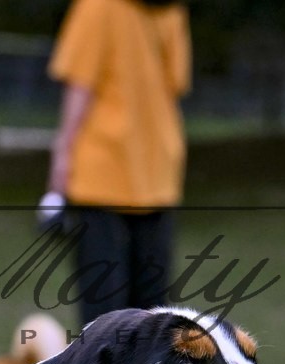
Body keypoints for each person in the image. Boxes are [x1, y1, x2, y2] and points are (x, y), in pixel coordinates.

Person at [47, 0, 191, 327]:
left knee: (102, 316)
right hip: (157, 168)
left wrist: (62, 154)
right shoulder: (170, 8)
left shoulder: (97, 6)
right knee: (152, 317)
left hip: (102, 169)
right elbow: (176, 83)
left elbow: (81, 84)